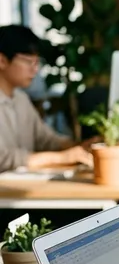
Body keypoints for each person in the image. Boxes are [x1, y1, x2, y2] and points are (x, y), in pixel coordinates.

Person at [0, 25, 92, 173]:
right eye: (28, 61)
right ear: (2, 60)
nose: (35, 69)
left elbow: (45, 139)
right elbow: (3, 158)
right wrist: (61, 158)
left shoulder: (20, 99)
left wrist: (80, 146)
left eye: (37, 62)